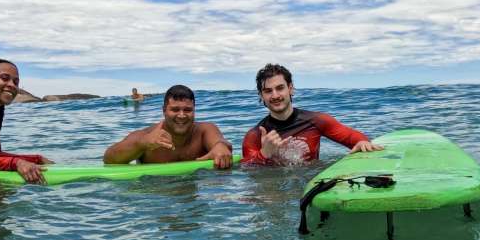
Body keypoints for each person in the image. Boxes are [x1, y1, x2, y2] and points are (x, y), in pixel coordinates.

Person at [242, 64, 382, 165]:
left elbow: (353, 138)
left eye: (280, 88)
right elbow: (248, 172)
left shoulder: (316, 120)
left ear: (291, 89)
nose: (275, 95)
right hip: (275, 193)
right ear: (261, 96)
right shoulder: (255, 135)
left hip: (310, 182)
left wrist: (362, 141)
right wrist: (265, 153)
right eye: (268, 91)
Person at [103, 85, 234, 168]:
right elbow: (109, 159)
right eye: (175, 109)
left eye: (187, 110)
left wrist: (221, 147)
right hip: (157, 199)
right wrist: (142, 143)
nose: (182, 115)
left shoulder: (205, 130)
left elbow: (218, 141)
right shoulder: (145, 136)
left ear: (194, 110)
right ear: (164, 110)